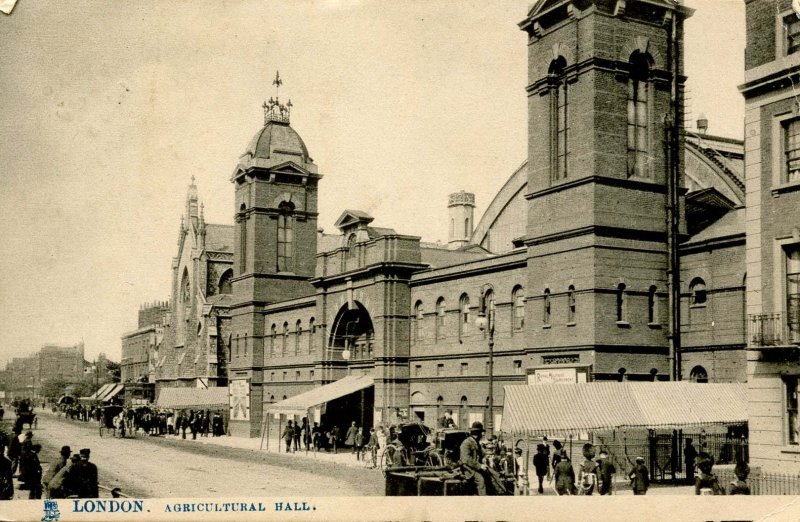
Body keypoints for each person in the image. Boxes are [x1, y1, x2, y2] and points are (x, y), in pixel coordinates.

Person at [459, 421, 488, 495]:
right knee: (480, 480)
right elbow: (466, 460)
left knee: (490, 475)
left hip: (474, 467)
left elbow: (482, 453)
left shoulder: (476, 442)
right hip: (467, 469)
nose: (482, 435)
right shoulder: (466, 443)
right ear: (478, 433)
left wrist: (485, 457)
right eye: (481, 432)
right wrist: (480, 466)